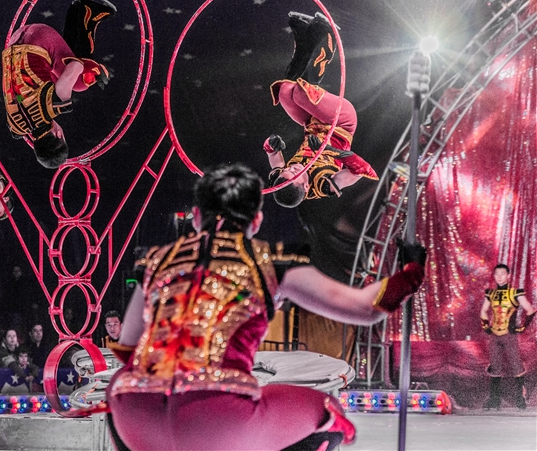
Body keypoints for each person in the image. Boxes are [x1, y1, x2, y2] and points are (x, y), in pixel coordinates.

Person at [105, 163, 427, 451]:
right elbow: (366, 308)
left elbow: (127, 348)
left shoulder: (156, 263)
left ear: (197, 216)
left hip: (135, 418)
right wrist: (411, 271)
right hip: (217, 421)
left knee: (123, 382)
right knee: (330, 412)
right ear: (256, 220)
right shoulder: (268, 263)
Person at [264, 12, 377, 207]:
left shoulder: (281, 178)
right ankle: (326, 33)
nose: (291, 168)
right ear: (305, 186)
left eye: (287, 170)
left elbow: (273, 156)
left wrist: (272, 145)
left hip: (312, 122)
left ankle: (303, 35)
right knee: (301, 94)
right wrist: (330, 150)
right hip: (340, 123)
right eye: (294, 173)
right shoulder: (324, 184)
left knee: (285, 92)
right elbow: (363, 171)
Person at [2, 0, 116, 169]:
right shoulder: (15, 127)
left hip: (36, 38)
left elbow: (75, 66)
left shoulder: (54, 105)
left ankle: (89, 10)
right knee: (56, 76)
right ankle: (78, 9)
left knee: (80, 82)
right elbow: (20, 100)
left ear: (59, 135)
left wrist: (98, 71)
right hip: (14, 40)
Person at [480, 263, 535, 410]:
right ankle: (494, 400)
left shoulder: (515, 293)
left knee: (516, 365)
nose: (499, 277)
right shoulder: (491, 293)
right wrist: (485, 325)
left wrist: (522, 327)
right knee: (495, 366)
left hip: (509, 335)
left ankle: (520, 399)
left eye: (502, 274)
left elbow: (530, 309)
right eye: (496, 274)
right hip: (495, 335)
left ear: (508, 275)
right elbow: (483, 311)